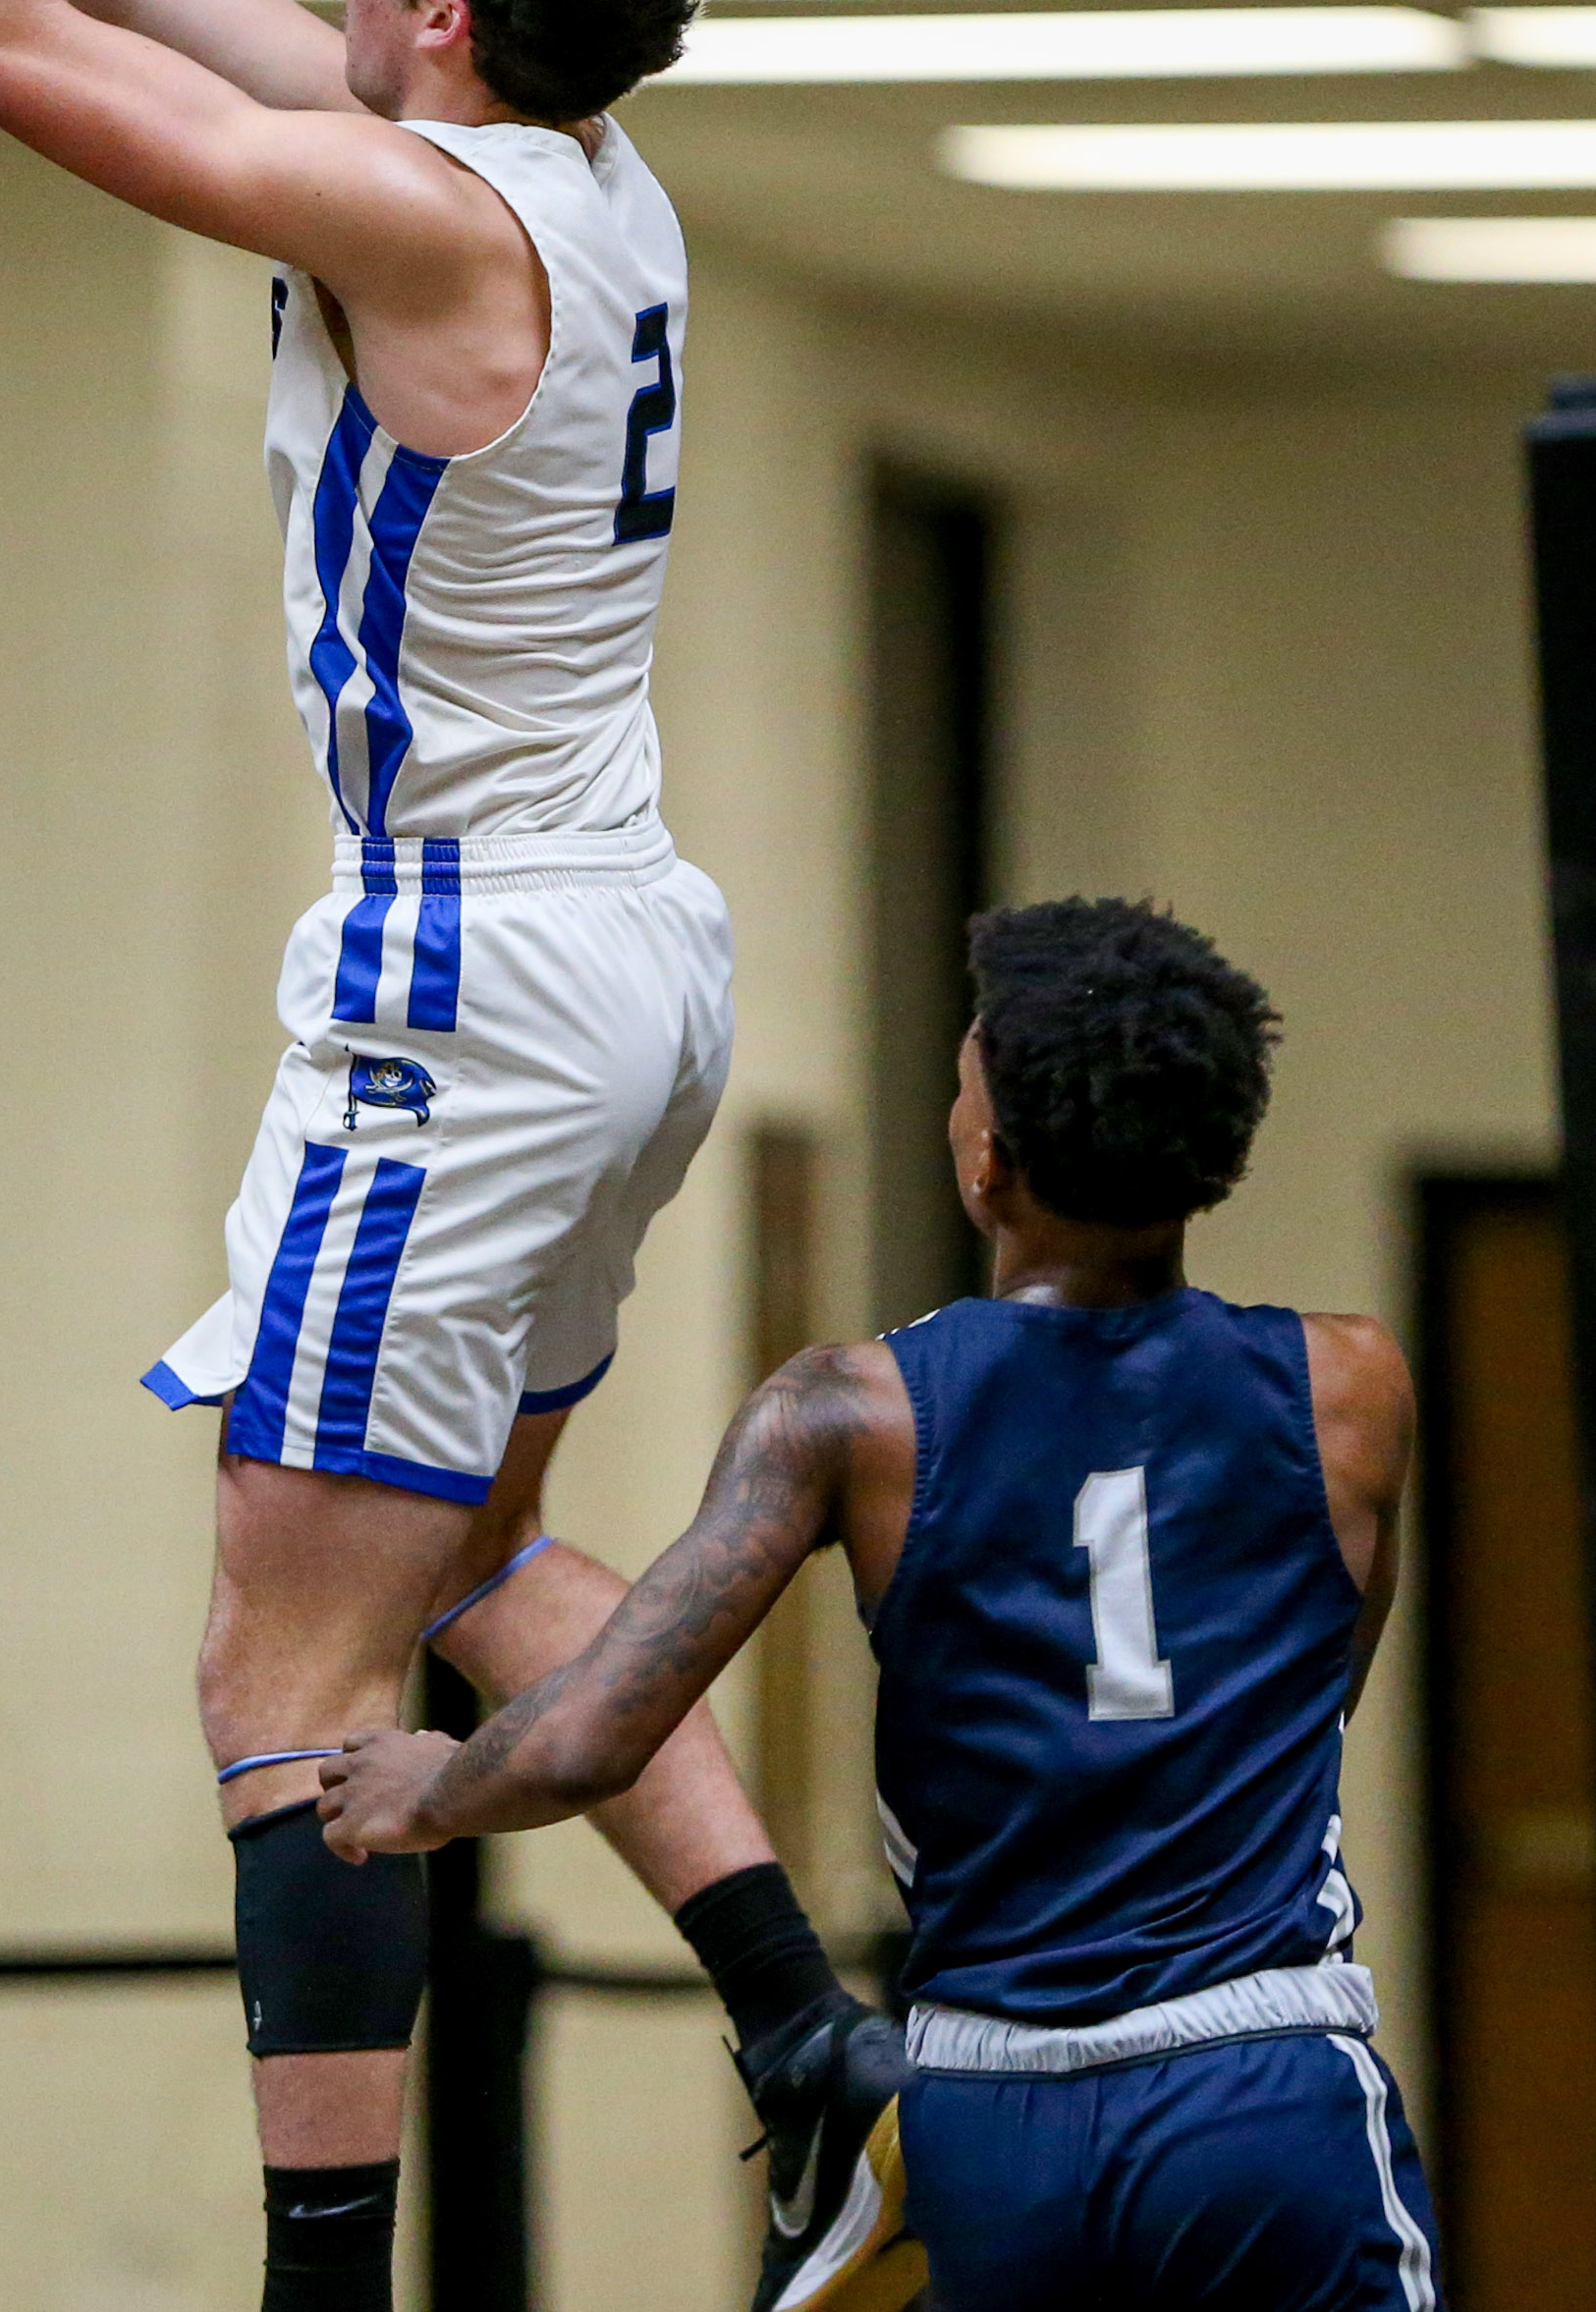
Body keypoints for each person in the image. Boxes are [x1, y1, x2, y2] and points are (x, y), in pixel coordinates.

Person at [0, 0, 912, 2312]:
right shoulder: (569, 171)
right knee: (438, 1578)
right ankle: (813, 2022)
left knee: (270, 1674)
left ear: (436, 17)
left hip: (464, 970)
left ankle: (331, 2282)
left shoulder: (418, 224)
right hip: (628, 952)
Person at [321, 895, 1444, 2312]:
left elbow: (591, 1734)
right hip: (1253, 2083)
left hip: (992, 2115)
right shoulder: (1352, 1387)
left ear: (984, 1162)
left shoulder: (847, 1414)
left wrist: (429, 1787)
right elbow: (1316, 1685)